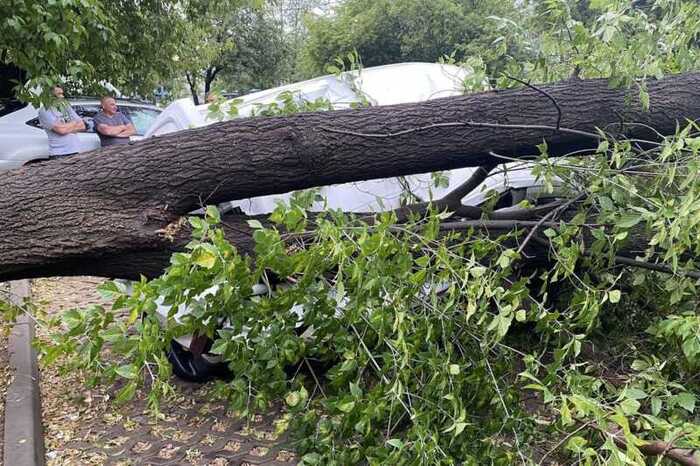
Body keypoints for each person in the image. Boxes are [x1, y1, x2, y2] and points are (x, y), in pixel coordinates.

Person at [38, 85, 85, 160]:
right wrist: (73, 123)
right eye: (58, 94)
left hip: (75, 151)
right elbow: (61, 130)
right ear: (49, 95)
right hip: (59, 154)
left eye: (62, 93)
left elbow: (82, 126)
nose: (62, 96)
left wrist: (65, 127)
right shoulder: (45, 111)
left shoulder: (66, 107)